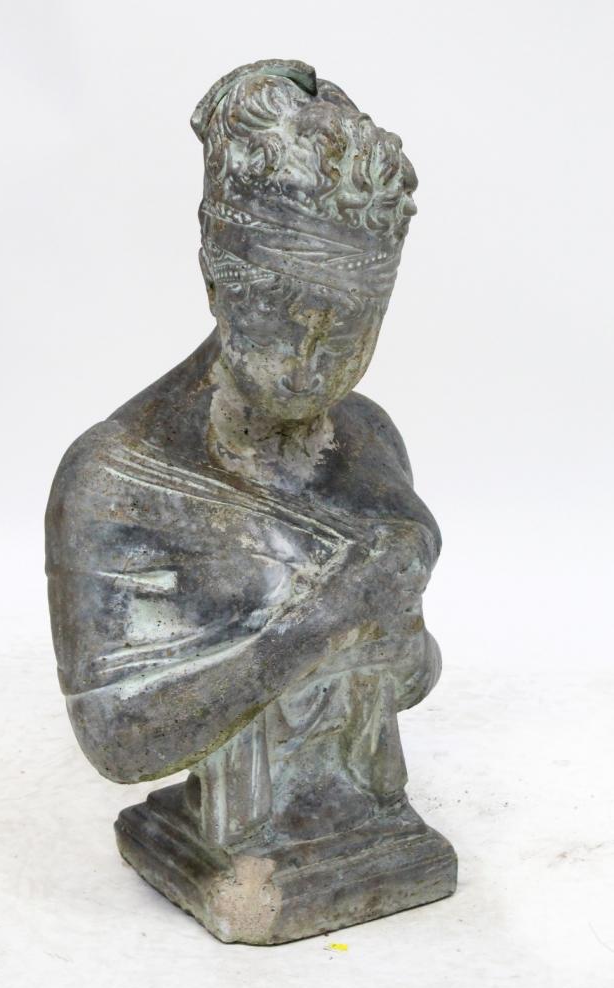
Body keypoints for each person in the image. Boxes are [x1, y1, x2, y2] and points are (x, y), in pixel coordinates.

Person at [46, 60, 455, 942]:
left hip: (360, 807)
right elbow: (118, 738)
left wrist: (399, 633)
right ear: (216, 276)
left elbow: (411, 679)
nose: (311, 358)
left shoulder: (368, 435)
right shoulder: (118, 477)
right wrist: (324, 619)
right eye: (282, 309)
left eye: (348, 326)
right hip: (233, 828)